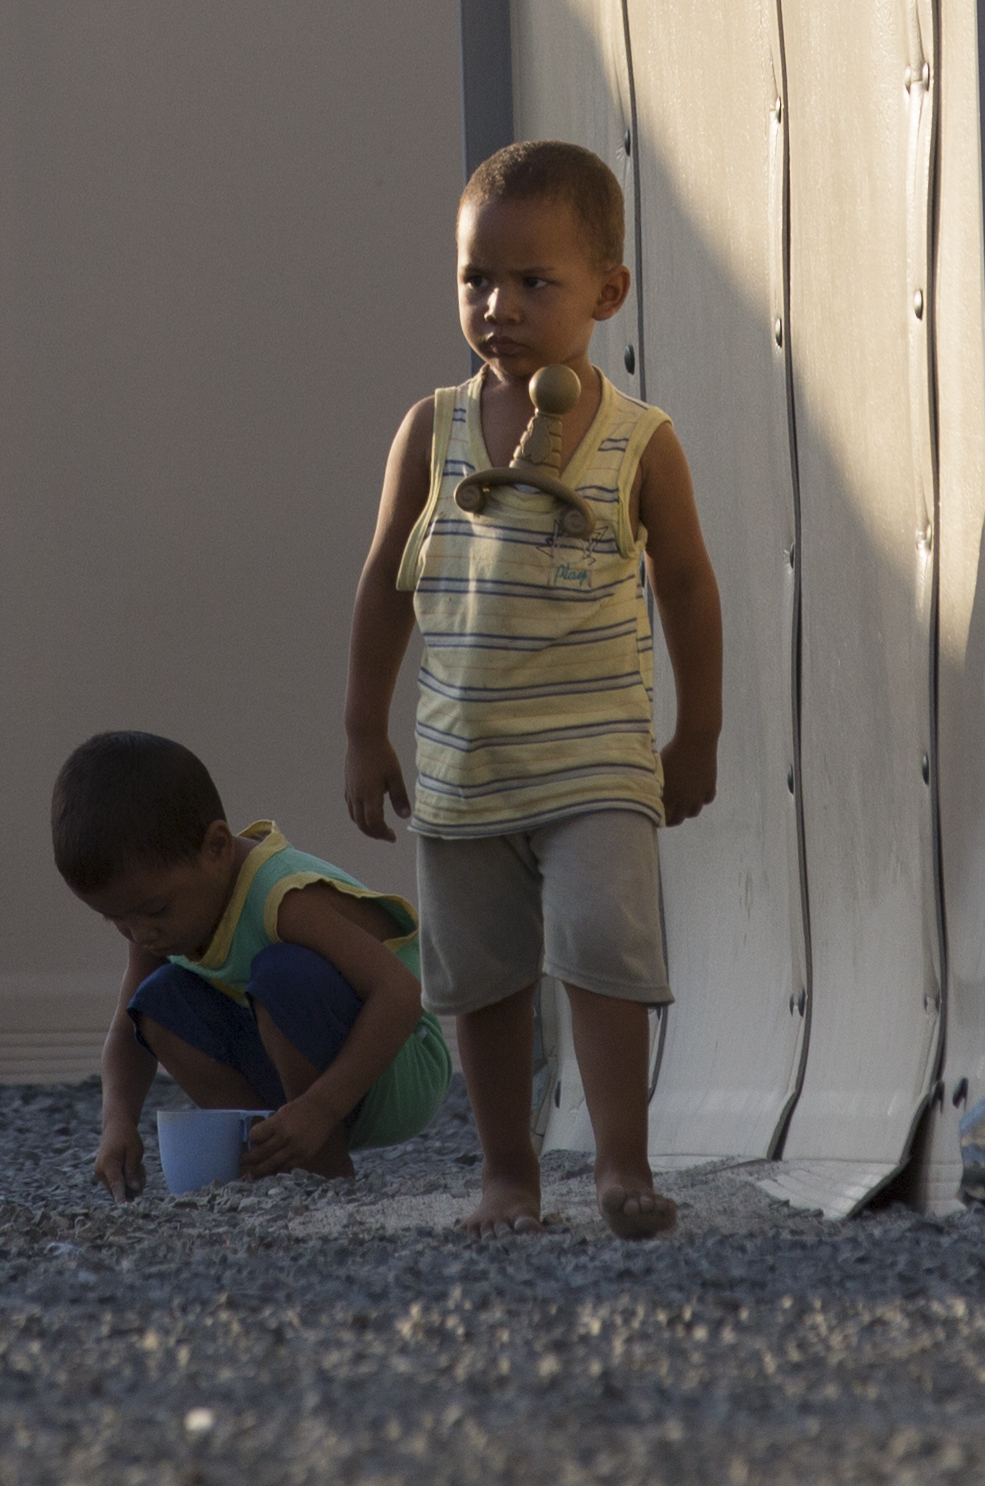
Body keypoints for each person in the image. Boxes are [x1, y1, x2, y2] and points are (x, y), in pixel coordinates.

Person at [344, 139, 722, 1240]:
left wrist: (695, 730)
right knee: (483, 976)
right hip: (465, 764)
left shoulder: (638, 441)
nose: (497, 304)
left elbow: (689, 586)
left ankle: (619, 1166)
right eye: (475, 277)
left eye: (532, 281)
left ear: (606, 291)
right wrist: (362, 727)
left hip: (597, 756)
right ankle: (506, 1174)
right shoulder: (432, 429)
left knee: (603, 946)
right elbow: (384, 584)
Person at [60, 730, 456, 1198]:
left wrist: (321, 1109)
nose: (141, 933)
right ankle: (269, 1155)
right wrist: (118, 1123)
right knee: (155, 1002)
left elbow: (402, 994)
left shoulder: (280, 896)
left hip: (398, 1060)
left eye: (154, 911)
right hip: (305, 1063)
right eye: (116, 920)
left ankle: (322, 1166)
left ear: (218, 847)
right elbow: (126, 1033)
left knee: (282, 975)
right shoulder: (154, 920)